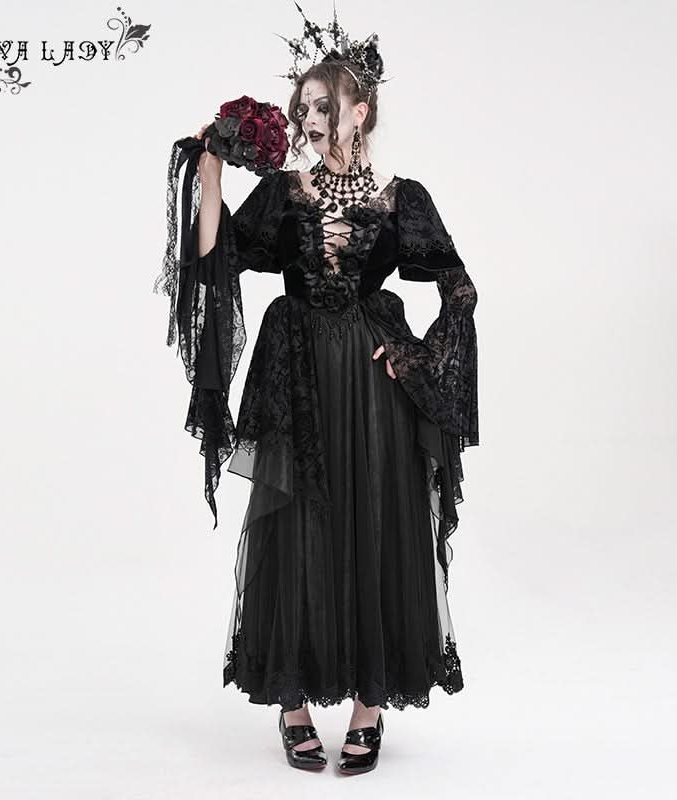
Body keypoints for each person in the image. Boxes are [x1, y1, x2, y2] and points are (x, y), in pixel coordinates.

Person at [154, 16, 479, 776]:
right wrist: (211, 172)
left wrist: (416, 356)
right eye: (302, 109)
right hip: (296, 375)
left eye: (322, 107)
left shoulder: (402, 199)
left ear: (359, 112)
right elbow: (216, 258)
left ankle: (370, 705)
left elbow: (460, 288)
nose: (308, 120)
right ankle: (293, 702)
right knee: (297, 524)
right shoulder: (282, 194)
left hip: (373, 384)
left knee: (379, 520)